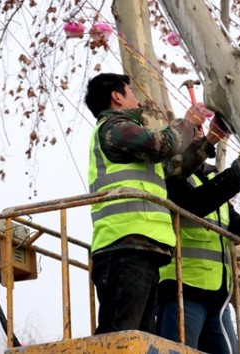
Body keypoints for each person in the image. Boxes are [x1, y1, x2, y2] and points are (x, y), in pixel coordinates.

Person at [85, 73, 219, 335]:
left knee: (141, 338)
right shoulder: (114, 128)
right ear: (117, 96)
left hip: (141, 245)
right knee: (119, 336)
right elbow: (164, 145)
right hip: (124, 245)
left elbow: (172, 168)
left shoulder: (126, 138)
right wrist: (188, 123)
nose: (136, 98)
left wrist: (208, 141)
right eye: (130, 91)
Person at [156, 116, 240, 353]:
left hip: (217, 294)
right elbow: (193, 206)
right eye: (194, 134)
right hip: (182, 288)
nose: (200, 138)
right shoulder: (171, 177)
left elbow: (232, 225)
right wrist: (231, 177)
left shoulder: (208, 180)